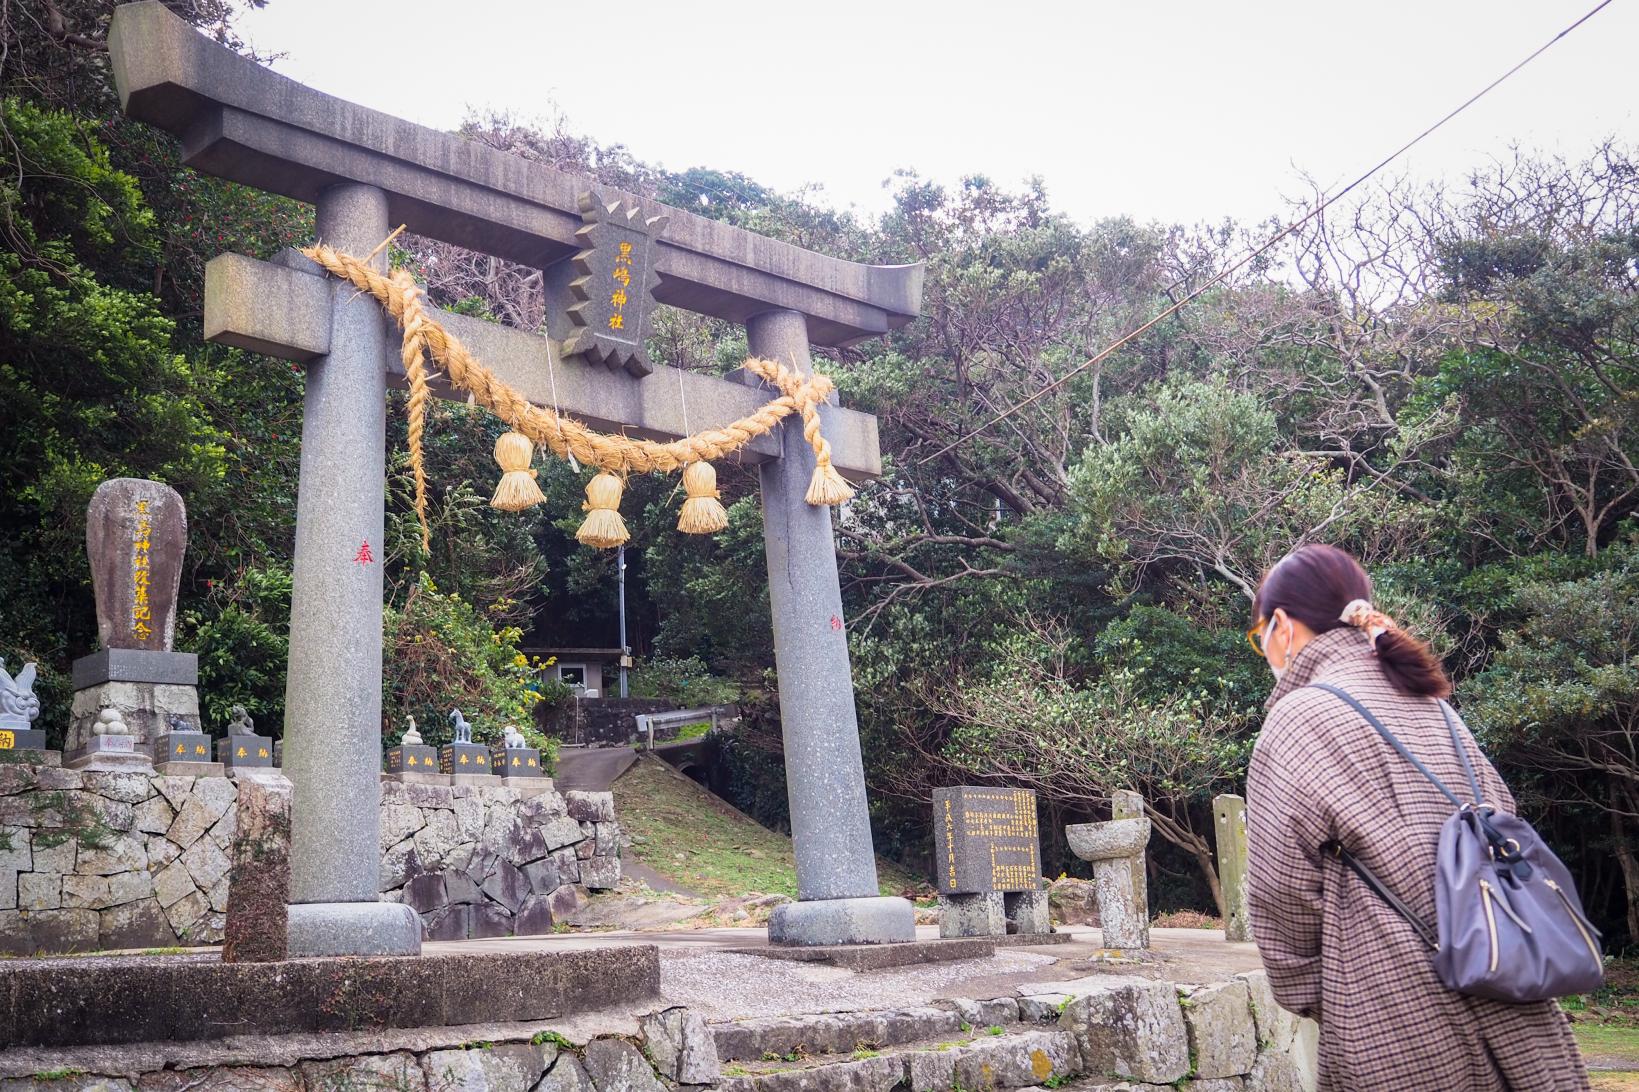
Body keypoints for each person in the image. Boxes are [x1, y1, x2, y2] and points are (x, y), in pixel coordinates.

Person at [1245, 544, 1588, 1091]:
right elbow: (1506, 823)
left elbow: (1280, 893)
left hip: (1393, 1010)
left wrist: (1326, 993)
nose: (1261, 644)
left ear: (1282, 626)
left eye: (1257, 631)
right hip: (1511, 988)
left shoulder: (1298, 717)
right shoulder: (1434, 706)